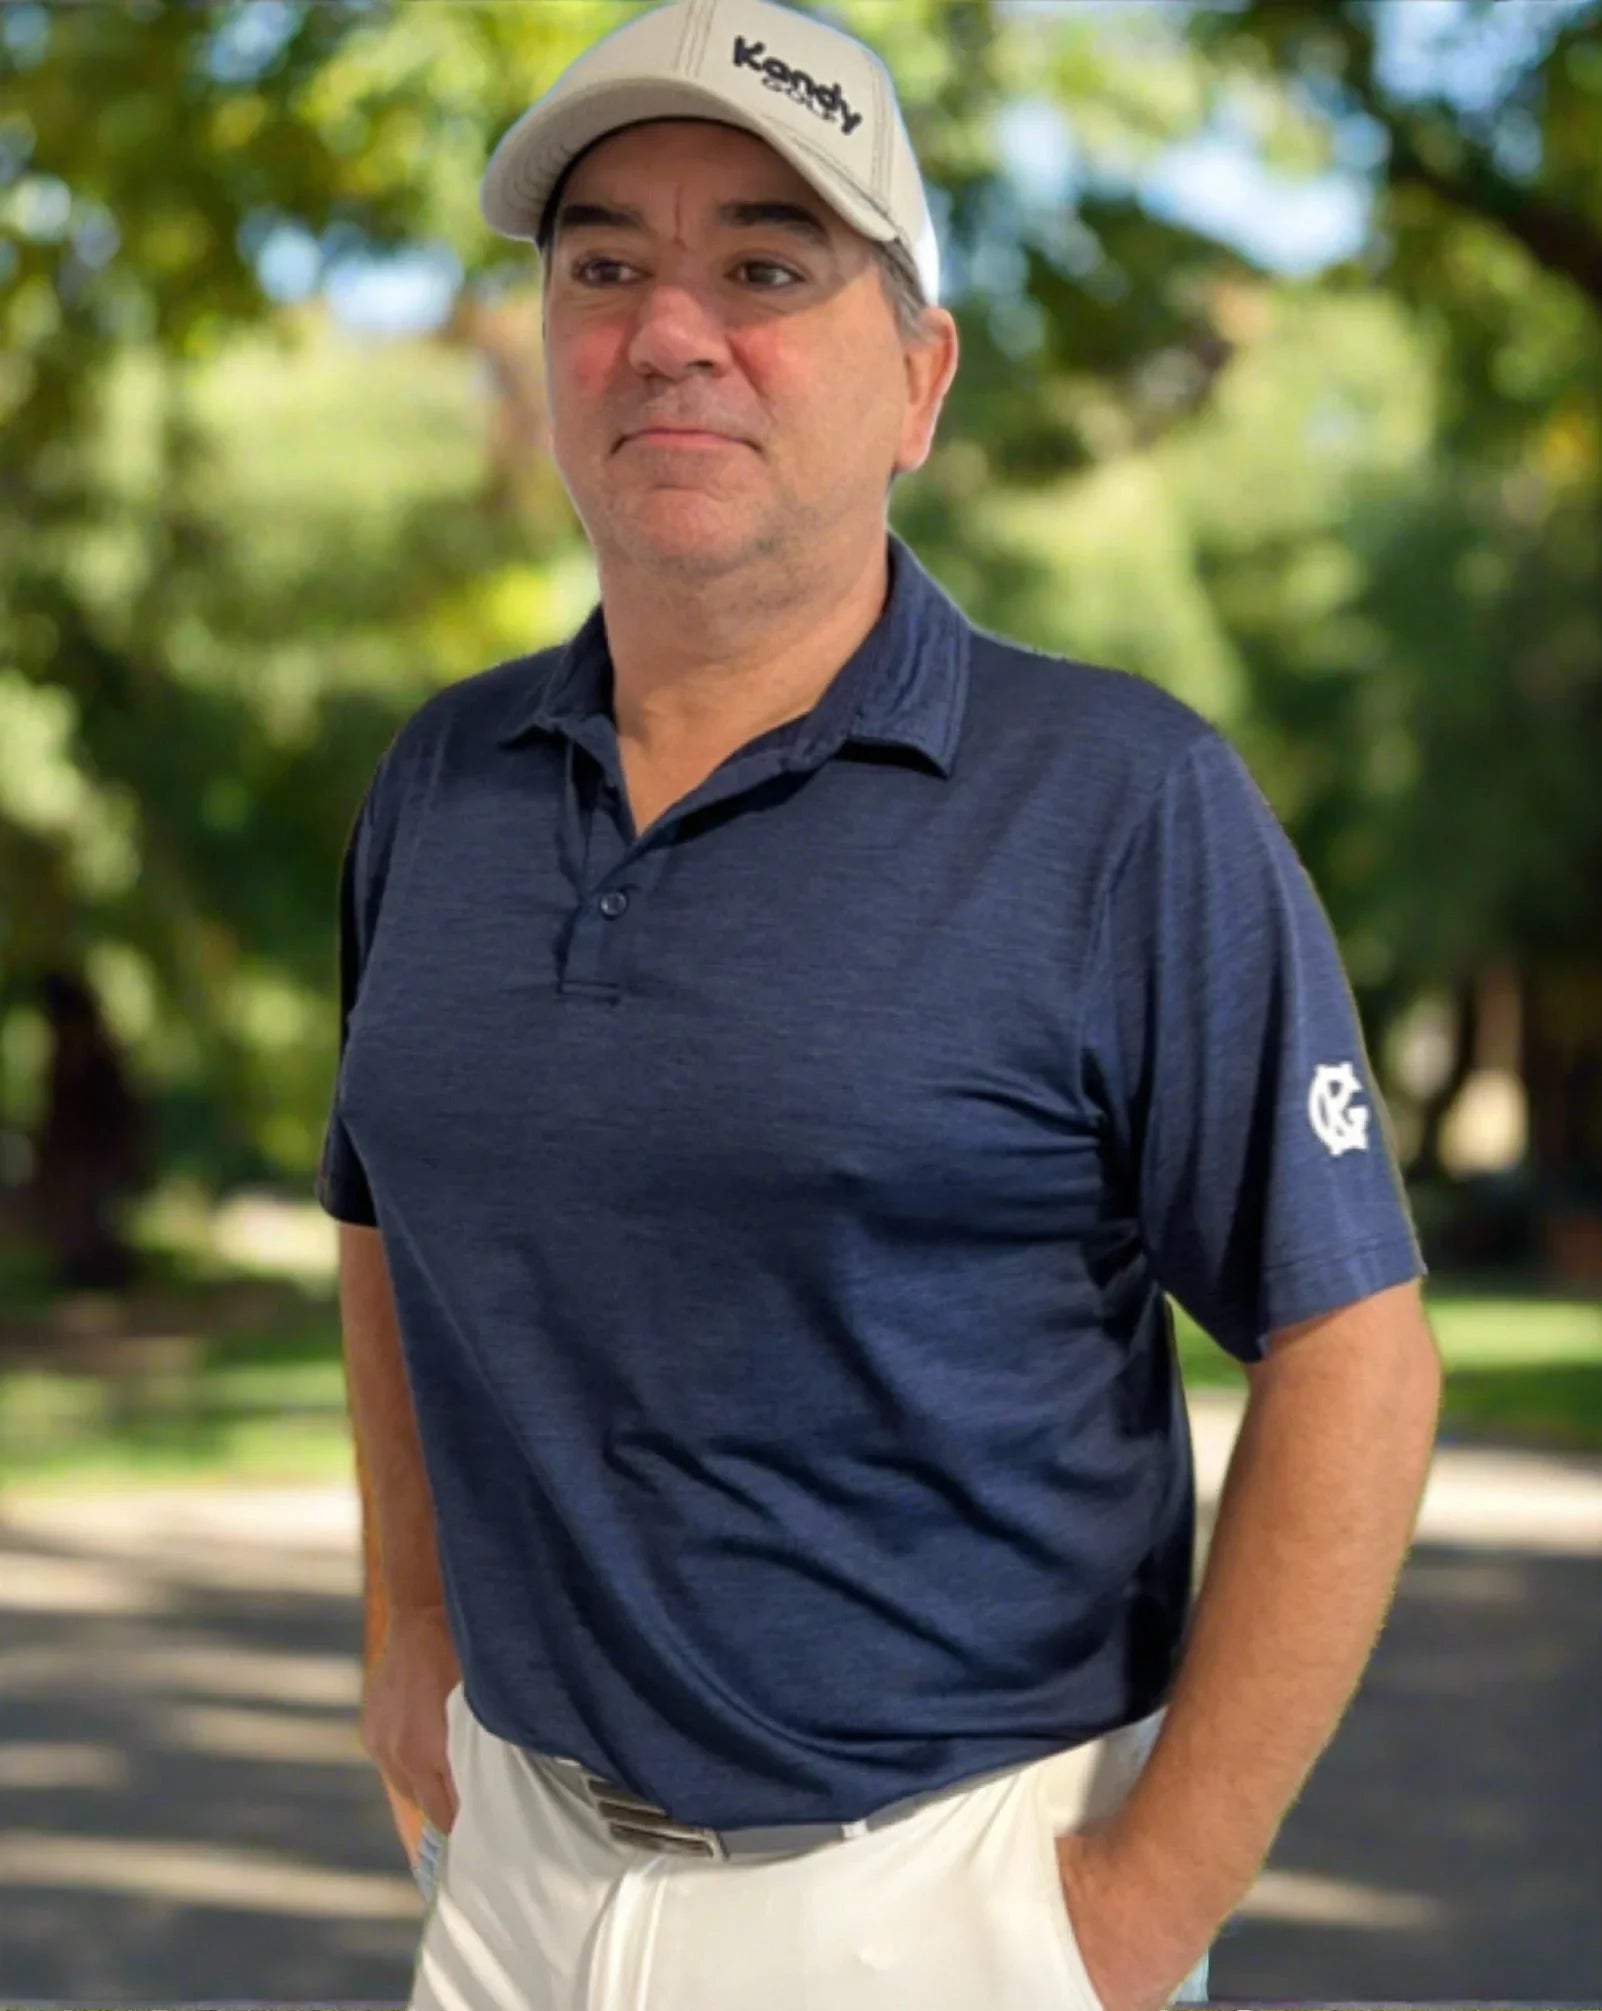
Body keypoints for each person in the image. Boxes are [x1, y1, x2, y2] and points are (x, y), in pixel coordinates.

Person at [315, 3, 1442, 2007]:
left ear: (917, 378)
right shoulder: (439, 784)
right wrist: (406, 1607)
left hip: (950, 1900)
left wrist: (1145, 1901)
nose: (672, 329)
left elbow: (1355, 1345)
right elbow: (382, 1206)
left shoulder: (1118, 803)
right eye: (605, 265)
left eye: (766, 265)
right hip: (512, 1893)